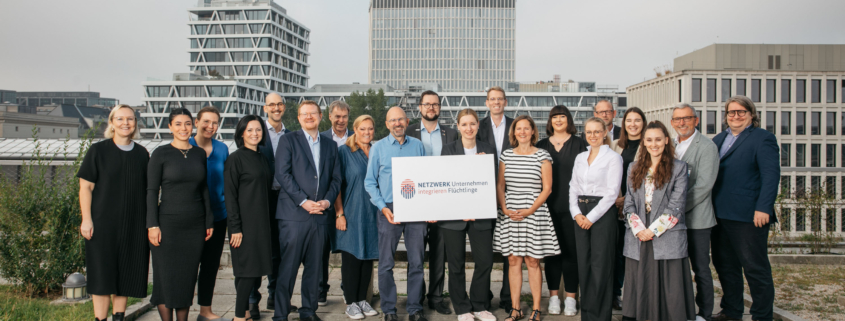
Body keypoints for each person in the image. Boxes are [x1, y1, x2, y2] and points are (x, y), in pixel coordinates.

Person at [710, 96, 780, 321]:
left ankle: (762, 315)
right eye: (731, 112)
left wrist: (764, 208)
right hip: (719, 214)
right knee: (726, 267)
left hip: (750, 216)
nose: (736, 116)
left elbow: (771, 176)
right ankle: (731, 311)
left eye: (741, 112)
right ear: (726, 116)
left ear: (752, 115)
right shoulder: (719, 139)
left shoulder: (763, 139)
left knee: (755, 269)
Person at [78, 104, 149, 321]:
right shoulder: (98, 151)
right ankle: (100, 319)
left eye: (130, 119)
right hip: (102, 224)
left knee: (126, 272)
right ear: (111, 123)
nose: (125, 123)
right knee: (102, 275)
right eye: (120, 119)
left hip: (134, 224)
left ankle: (119, 317)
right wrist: (86, 220)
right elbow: (86, 188)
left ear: (135, 123)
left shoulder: (142, 154)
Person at [273, 100, 343, 321]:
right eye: (305, 114)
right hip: (294, 215)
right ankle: (281, 313)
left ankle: (308, 311)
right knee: (288, 267)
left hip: (321, 215)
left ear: (321, 116)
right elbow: (282, 175)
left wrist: (326, 202)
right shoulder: (288, 140)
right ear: (298, 118)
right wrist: (303, 201)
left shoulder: (331, 145)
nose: (309, 117)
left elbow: (336, 179)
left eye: (313, 113)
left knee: (315, 268)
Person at [621, 121, 695, 321]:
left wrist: (652, 231)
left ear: (666, 141)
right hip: (638, 237)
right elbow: (628, 204)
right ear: (644, 143)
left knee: (669, 289)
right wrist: (639, 230)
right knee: (640, 283)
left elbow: (676, 205)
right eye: (650, 140)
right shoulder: (633, 168)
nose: (654, 144)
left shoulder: (678, 168)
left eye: (658, 140)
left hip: (666, 236)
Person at [147, 108, 214, 321]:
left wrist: (209, 220)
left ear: (192, 125)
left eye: (187, 124)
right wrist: (152, 224)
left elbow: (204, 189)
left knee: (187, 278)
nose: (183, 128)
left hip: (194, 226)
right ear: (170, 127)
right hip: (166, 226)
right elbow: (151, 191)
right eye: (178, 124)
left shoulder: (199, 154)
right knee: (165, 278)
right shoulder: (160, 153)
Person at [364, 107, 428, 321]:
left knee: (417, 261)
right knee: (386, 263)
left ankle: (415, 309)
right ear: (387, 123)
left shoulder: (419, 146)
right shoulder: (379, 148)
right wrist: (383, 207)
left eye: (401, 119)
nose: (397, 123)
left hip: (416, 208)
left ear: (407, 121)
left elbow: (427, 178)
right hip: (388, 208)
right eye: (393, 120)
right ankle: (389, 310)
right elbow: (370, 182)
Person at [494, 115, 559, 321]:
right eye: (518, 128)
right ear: (513, 132)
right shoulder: (506, 155)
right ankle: (515, 309)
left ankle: (536, 309)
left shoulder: (542, 155)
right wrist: (503, 208)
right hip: (510, 211)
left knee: (532, 261)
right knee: (513, 261)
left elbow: (547, 188)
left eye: (526, 128)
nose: (522, 132)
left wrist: (530, 210)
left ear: (533, 132)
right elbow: (501, 185)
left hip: (534, 211)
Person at [439, 109, 498, 321]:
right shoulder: (448, 150)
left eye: (472, 124)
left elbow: (492, 185)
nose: (469, 128)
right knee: (456, 265)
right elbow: (446, 184)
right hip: (454, 218)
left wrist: (483, 166)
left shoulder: (488, 150)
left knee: (485, 262)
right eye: (464, 124)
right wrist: (460, 209)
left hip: (481, 217)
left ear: (478, 125)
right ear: (458, 127)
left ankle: (480, 305)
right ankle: (463, 308)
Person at [407, 90, 459, 315]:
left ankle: (436, 297)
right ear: (419, 107)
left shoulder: (451, 133)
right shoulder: (408, 131)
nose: (431, 108)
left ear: (440, 108)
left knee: (440, 252)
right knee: (415, 252)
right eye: (427, 104)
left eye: (435, 104)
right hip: (415, 199)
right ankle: (415, 295)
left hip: (442, 199)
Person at [569, 117, 623, 321]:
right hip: (580, 212)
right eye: (589, 132)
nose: (592, 136)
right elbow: (573, 187)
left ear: (604, 133)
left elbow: (611, 193)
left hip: (602, 212)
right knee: (584, 265)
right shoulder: (580, 157)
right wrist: (576, 213)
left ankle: (601, 317)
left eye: (597, 132)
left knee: (601, 266)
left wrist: (590, 217)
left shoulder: (612, 158)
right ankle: (588, 316)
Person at [535, 106, 587, 317]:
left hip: (573, 209)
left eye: (562, 117)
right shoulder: (540, 145)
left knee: (571, 254)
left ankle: (571, 298)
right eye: (554, 117)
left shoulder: (580, 144)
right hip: (546, 208)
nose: (558, 120)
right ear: (550, 121)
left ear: (569, 120)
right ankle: (554, 298)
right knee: (551, 255)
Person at [671, 104, 719, 321]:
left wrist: (675, 207)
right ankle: (682, 310)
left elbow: (704, 185)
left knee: (700, 269)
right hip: (673, 220)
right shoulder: (670, 145)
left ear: (696, 120)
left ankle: (704, 314)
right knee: (678, 269)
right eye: (677, 119)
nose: (682, 123)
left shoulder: (707, 147)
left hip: (697, 219)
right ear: (672, 123)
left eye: (686, 118)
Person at [225, 115, 274, 321]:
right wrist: (235, 227)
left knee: (255, 272)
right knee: (246, 272)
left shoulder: (262, 157)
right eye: (250, 130)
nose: (255, 133)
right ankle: (238, 317)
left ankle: (245, 311)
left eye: (259, 130)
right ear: (241, 133)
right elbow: (230, 195)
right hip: (244, 225)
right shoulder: (235, 159)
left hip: (262, 223)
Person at [333, 115, 380, 319]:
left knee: (368, 257)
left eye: (370, 129)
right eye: (362, 129)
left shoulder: (376, 151)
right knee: (351, 259)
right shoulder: (344, 152)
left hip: (373, 213)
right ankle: (351, 302)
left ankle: (362, 300)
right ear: (355, 129)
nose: (367, 132)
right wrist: (339, 214)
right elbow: (336, 186)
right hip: (351, 212)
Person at [189, 106, 231, 321]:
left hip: (218, 216)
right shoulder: (185, 146)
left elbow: (227, 183)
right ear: (196, 122)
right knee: (188, 265)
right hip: (191, 217)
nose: (210, 126)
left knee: (210, 265)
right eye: (206, 121)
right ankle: (182, 310)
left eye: (215, 122)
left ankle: (205, 311)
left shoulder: (222, 149)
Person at [475, 86, 514, 312]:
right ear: (487, 102)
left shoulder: (515, 125)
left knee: (511, 248)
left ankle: (509, 298)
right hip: (484, 192)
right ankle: (484, 297)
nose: (496, 102)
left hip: (512, 193)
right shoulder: (477, 126)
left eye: (500, 99)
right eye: (492, 99)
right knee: (484, 250)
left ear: (505, 102)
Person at [252, 93, 291, 318]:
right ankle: (251, 300)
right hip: (260, 198)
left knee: (280, 250)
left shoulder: (290, 135)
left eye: (279, 104)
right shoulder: (257, 132)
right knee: (259, 248)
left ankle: (275, 296)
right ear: (265, 108)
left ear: (283, 107)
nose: (276, 108)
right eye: (272, 105)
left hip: (284, 198)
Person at [608, 107, 646, 311]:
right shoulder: (615, 145)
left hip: (639, 207)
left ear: (643, 122)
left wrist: (628, 199)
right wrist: (617, 199)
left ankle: (637, 294)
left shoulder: (648, 145)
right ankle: (615, 293)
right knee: (616, 252)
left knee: (634, 253)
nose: (633, 124)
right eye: (629, 120)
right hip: (615, 206)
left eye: (637, 120)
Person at [316, 100, 353, 306]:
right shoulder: (319, 139)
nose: (340, 120)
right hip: (325, 200)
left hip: (350, 199)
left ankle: (347, 287)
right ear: (329, 117)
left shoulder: (357, 138)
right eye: (337, 116)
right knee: (321, 249)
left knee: (348, 248)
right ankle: (321, 290)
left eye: (344, 116)